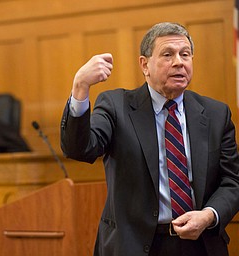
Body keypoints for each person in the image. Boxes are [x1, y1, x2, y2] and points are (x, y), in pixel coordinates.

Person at [60, 22, 239, 256]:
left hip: (201, 243)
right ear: (144, 65)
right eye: (167, 54)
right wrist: (80, 87)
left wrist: (209, 215)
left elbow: (232, 181)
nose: (179, 62)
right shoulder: (117, 106)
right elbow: (80, 149)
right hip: (135, 245)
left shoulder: (216, 114)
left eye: (185, 54)